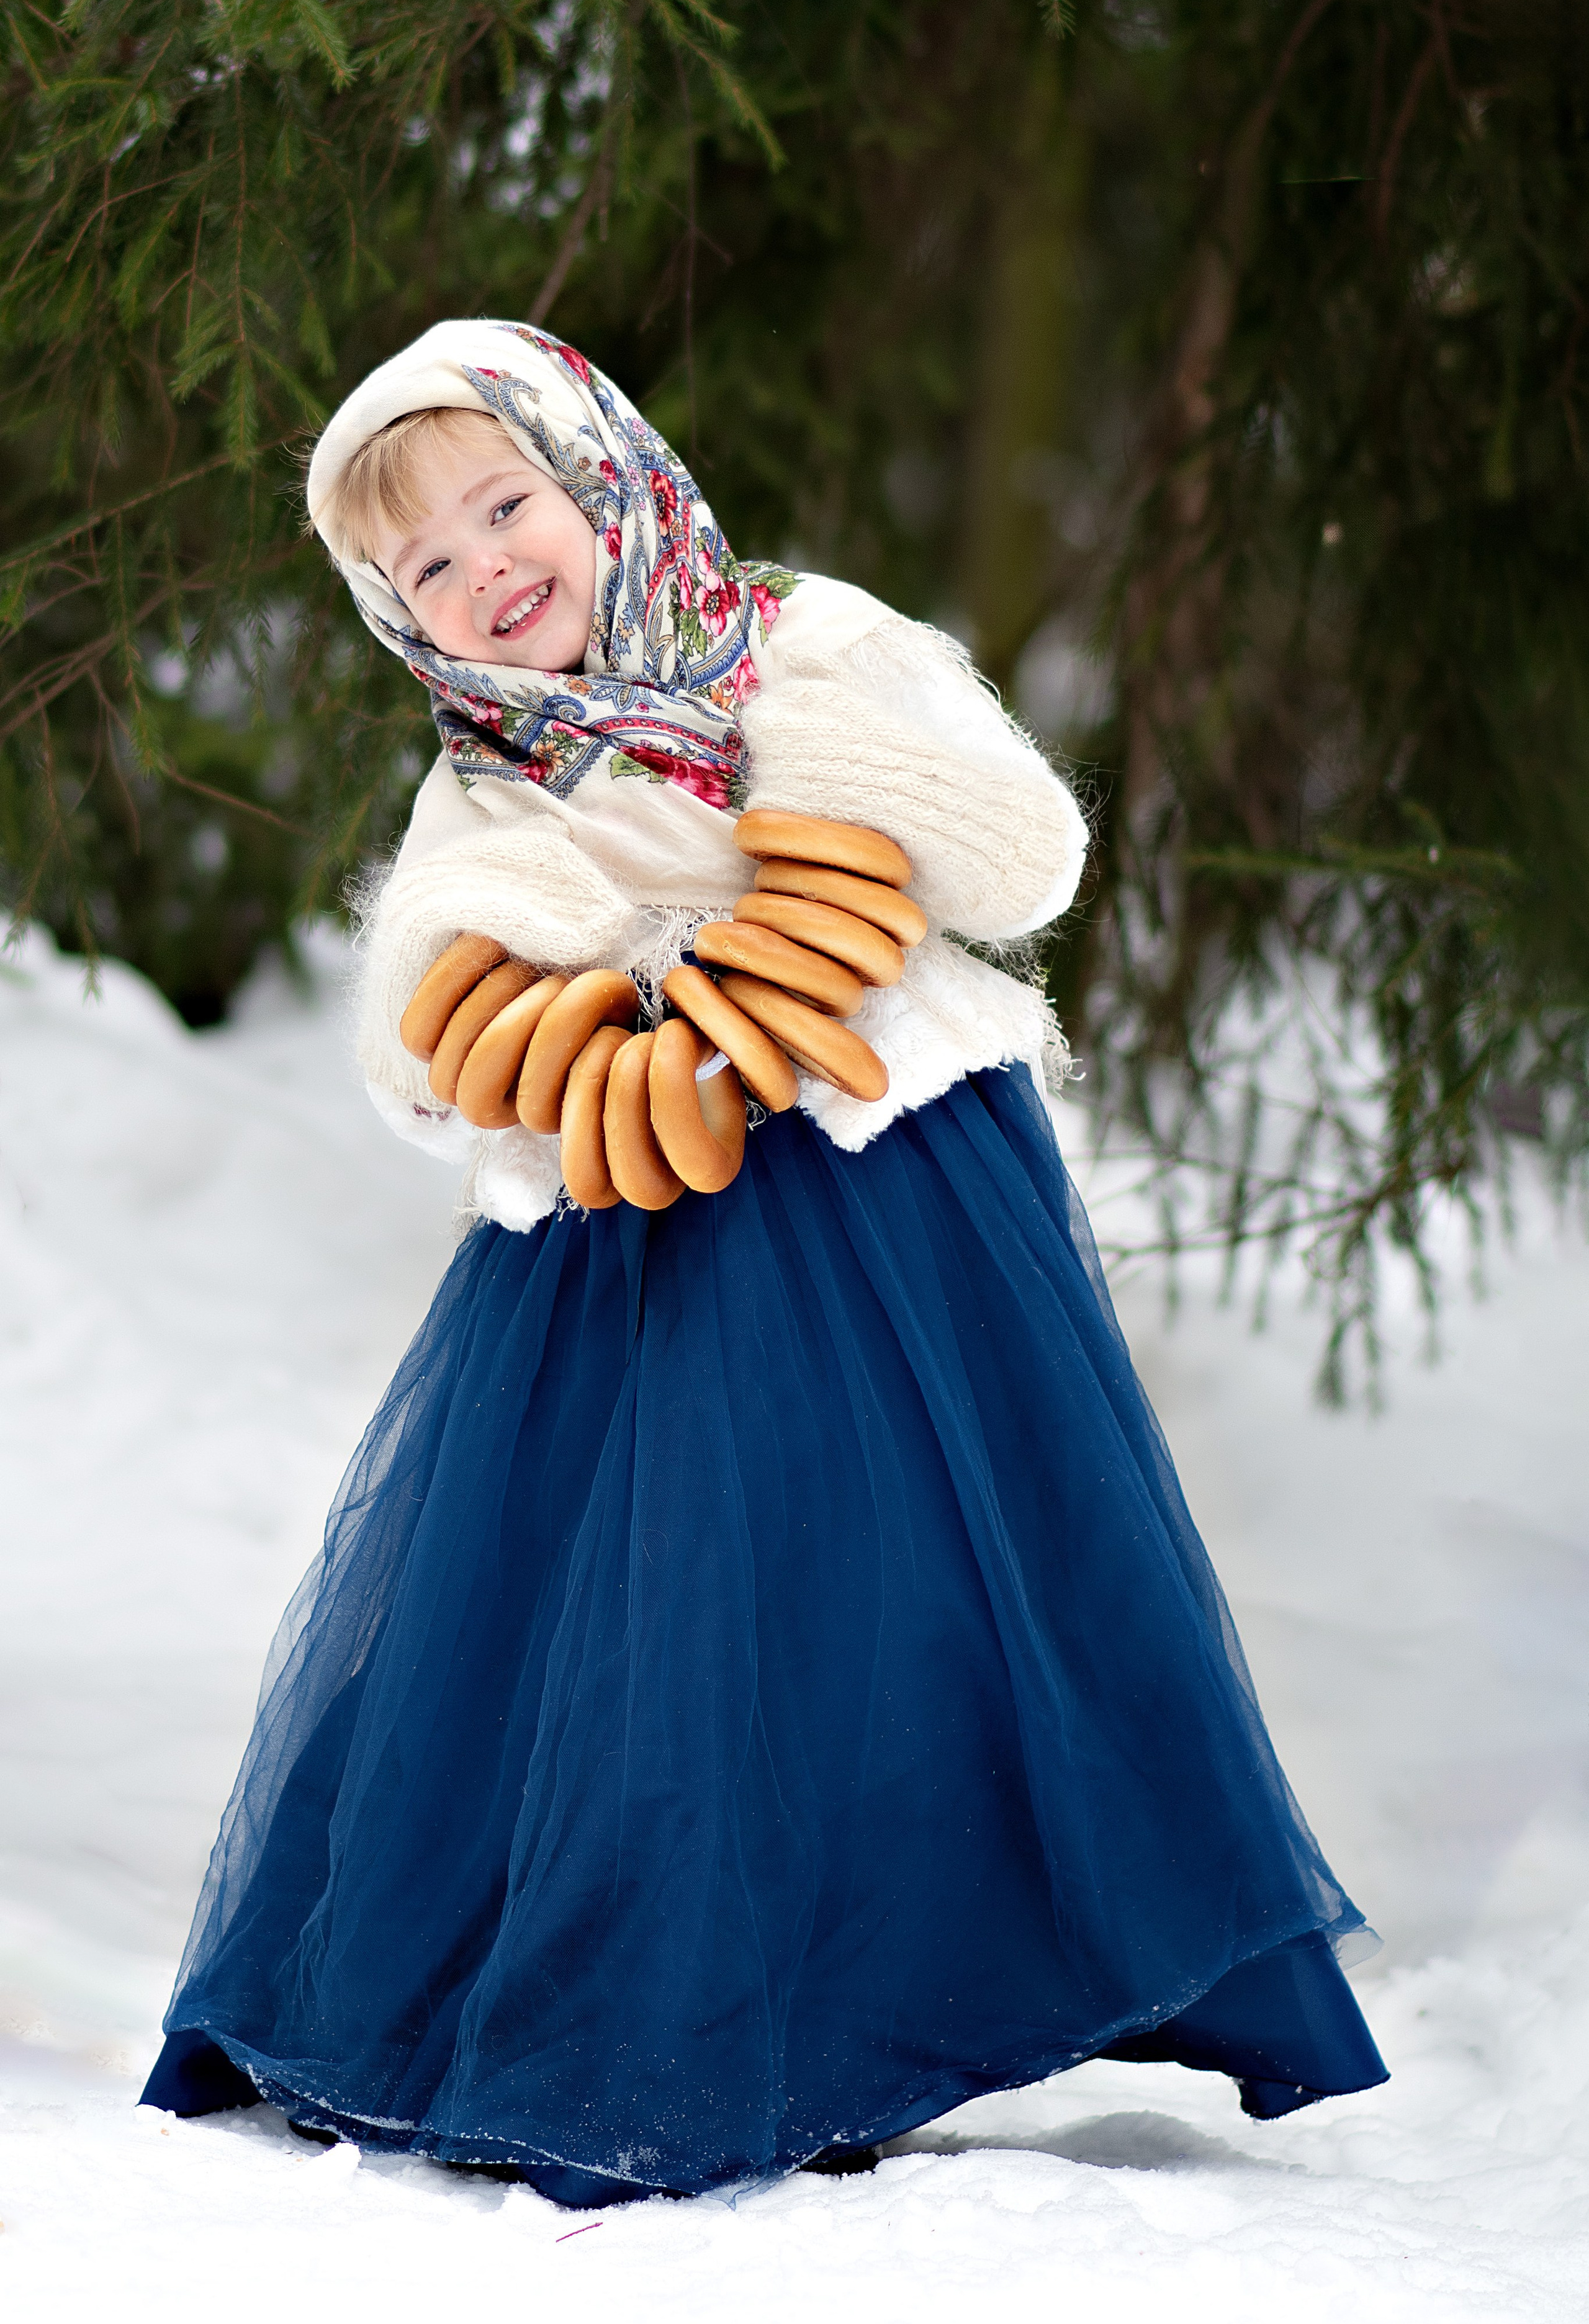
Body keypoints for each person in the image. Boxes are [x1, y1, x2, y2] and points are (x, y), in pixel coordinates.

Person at [140, 321, 1387, 2205]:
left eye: (508, 503)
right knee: (660, 1604)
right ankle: (659, 2007)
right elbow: (434, 1025)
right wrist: (600, 991)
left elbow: (1022, 851)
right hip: (642, 1233)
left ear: (606, 477)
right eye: (428, 564)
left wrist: (821, 799)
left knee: (930, 1571)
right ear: (400, 619)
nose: (488, 565)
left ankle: (943, 1968)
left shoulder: (807, 645)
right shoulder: (491, 788)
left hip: (905, 1182)